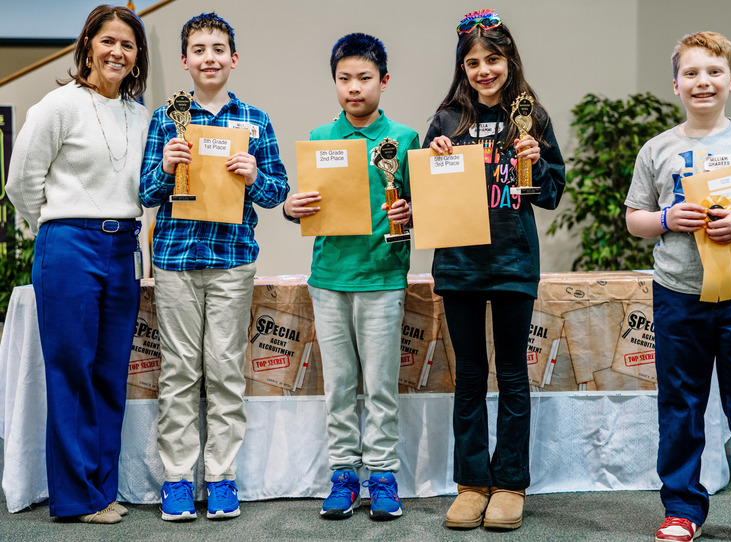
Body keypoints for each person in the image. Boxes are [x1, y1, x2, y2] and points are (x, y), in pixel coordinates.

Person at [625, 31, 731, 542]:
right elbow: (635, 220)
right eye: (692, 73)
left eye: (714, 72)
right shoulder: (657, 150)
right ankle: (682, 508)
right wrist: (667, 218)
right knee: (681, 403)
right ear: (675, 85)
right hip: (678, 293)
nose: (704, 81)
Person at [139, 12, 289, 521]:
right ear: (185, 61)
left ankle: (221, 477)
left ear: (233, 58)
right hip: (176, 259)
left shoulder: (255, 122)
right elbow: (145, 193)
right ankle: (177, 479)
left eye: (218, 48)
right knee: (180, 371)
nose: (209, 57)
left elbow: (279, 194)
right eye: (199, 49)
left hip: (231, 262)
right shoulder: (164, 119)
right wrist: (164, 166)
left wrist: (253, 175)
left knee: (224, 371)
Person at [5, 5, 149, 524]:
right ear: (88, 44)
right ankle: (74, 498)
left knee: (111, 373)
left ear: (137, 59)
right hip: (69, 244)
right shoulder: (58, 105)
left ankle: (102, 489)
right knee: (71, 371)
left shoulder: (142, 114)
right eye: (108, 41)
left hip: (123, 248)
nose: (117, 52)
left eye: (128, 45)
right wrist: (59, 227)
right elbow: (20, 184)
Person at [424, 9, 564, 531]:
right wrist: (432, 156)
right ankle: (470, 485)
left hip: (512, 261)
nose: (484, 69)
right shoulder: (444, 122)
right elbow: (420, 195)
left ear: (509, 61)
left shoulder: (533, 116)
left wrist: (536, 159)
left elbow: (550, 193)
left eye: (493, 59)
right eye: (474, 61)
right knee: (468, 378)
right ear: (462, 67)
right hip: (459, 263)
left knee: (512, 376)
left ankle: (509, 485)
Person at [283, 33, 418, 521]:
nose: (353, 88)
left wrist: (410, 211)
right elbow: (309, 206)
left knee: (380, 386)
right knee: (339, 387)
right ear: (335, 84)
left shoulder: (403, 140)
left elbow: (420, 209)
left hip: (382, 277)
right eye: (344, 79)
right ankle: (343, 475)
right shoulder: (320, 139)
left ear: (383, 81)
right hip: (329, 278)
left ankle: (382, 476)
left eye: (364, 78)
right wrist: (290, 209)